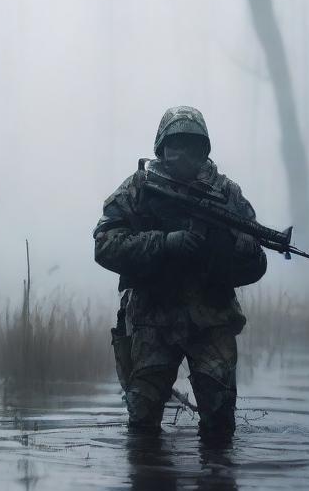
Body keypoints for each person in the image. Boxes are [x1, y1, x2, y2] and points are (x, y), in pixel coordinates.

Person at [93, 106, 267, 439]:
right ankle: (149, 487)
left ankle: (216, 486)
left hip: (210, 319)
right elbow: (105, 245)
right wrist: (165, 243)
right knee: (142, 422)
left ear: (205, 149)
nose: (184, 154)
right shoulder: (138, 189)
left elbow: (255, 263)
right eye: (176, 144)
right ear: (161, 147)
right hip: (150, 318)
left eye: (193, 145)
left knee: (219, 423)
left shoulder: (226, 193)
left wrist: (241, 253)